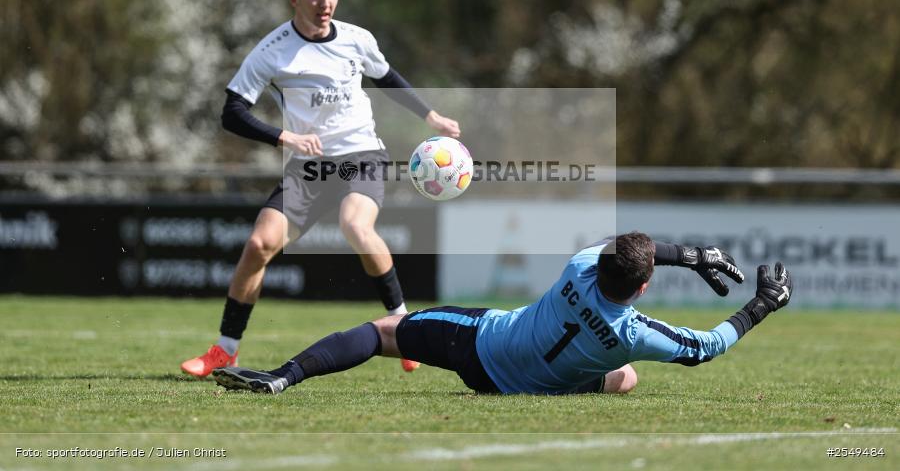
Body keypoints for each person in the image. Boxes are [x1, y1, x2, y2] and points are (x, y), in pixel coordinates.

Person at [181, 0, 460, 377]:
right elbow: (232, 112)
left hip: (361, 154)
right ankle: (225, 349)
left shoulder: (355, 39)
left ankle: (403, 327)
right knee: (258, 246)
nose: (325, 2)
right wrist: (284, 137)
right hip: (307, 169)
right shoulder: (272, 52)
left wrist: (431, 116)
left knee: (356, 226)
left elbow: (387, 78)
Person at [211, 232, 792, 395]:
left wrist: (689, 255)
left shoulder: (576, 268)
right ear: (642, 289)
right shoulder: (637, 333)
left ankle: (281, 376)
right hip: (541, 383)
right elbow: (703, 348)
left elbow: (619, 243)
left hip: (484, 349)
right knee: (626, 376)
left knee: (383, 332)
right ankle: (574, 379)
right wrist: (762, 304)